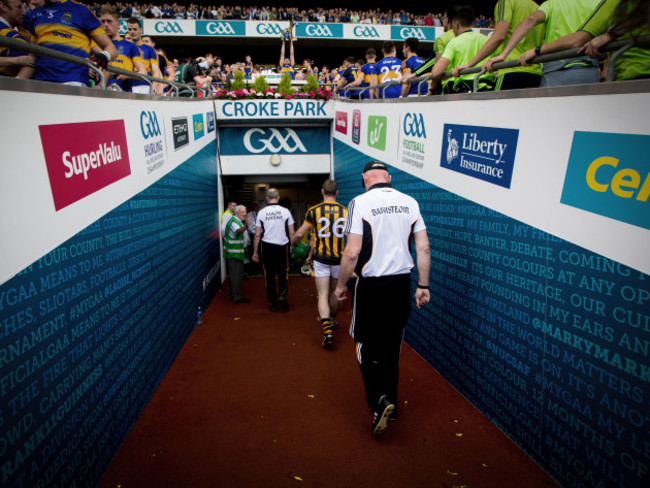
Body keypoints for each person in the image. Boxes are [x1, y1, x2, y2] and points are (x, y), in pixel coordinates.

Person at [333, 161, 430, 438]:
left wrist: (341, 286)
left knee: (364, 344)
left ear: (365, 178)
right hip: (401, 283)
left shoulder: (359, 203)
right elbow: (423, 246)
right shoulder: (409, 202)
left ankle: (378, 401)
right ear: (389, 177)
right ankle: (392, 403)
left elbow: (352, 253)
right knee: (391, 346)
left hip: (371, 286)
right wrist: (423, 284)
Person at [518, 0, 650, 82]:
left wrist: (537, 51)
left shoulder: (552, 3)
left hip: (634, 76)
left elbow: (577, 41)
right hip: (592, 70)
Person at [484, 0, 601, 87]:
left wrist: (504, 54)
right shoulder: (598, 4)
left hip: (556, 69)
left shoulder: (553, 4)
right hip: (590, 68)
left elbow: (530, 20)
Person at [290, 179, 347, 350]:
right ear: (337, 193)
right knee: (335, 294)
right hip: (339, 259)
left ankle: (327, 332)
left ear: (322, 192)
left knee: (322, 295)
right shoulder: (346, 211)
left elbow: (300, 233)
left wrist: (293, 243)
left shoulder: (313, 210)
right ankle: (333, 319)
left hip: (321, 258)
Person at [452, 0, 543, 91]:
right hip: (535, 72)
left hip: (510, 70)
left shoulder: (505, 2)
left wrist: (470, 64)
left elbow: (499, 36)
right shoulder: (536, 6)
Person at [26, 0, 117, 86]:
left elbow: (111, 49)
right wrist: (17, 81)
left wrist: (99, 86)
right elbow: (32, 58)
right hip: (41, 83)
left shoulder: (80, 11)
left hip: (73, 83)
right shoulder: (33, 15)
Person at [428, 6, 494, 94]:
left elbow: (436, 71)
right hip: (488, 90)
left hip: (465, 91)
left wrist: (447, 73)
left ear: (456, 23)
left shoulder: (454, 42)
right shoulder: (487, 40)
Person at [253, 188, 295, 312]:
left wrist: (255, 252)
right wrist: (292, 246)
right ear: (278, 197)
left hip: (267, 246)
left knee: (269, 275)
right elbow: (291, 231)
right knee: (283, 272)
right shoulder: (286, 211)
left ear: (267, 198)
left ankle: (272, 302)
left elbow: (257, 235)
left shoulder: (261, 212)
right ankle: (282, 295)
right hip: (283, 245)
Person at [97, 7, 146, 92]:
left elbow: (143, 72)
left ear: (118, 25)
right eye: (103, 21)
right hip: (98, 90)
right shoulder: (96, 44)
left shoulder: (130, 46)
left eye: (109, 21)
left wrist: (127, 76)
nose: (105, 25)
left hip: (123, 92)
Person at [126, 16, 163, 94]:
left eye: (135, 29)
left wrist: (154, 86)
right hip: (126, 86)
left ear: (140, 30)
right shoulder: (125, 48)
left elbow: (156, 70)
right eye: (130, 29)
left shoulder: (149, 49)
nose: (132, 32)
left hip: (145, 86)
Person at [0, 0, 35, 78]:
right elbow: (32, 60)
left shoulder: (20, 26)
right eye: (19, 7)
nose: (24, 12)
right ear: (3, 7)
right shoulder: (8, 34)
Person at [224, 205, 251, 304]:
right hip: (234, 254)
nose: (245, 213)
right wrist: (246, 227)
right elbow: (238, 231)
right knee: (237, 276)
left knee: (234, 276)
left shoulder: (236, 221)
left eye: (245, 211)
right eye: (242, 212)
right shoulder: (234, 222)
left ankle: (231, 295)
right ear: (236, 213)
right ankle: (237, 297)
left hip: (236, 253)